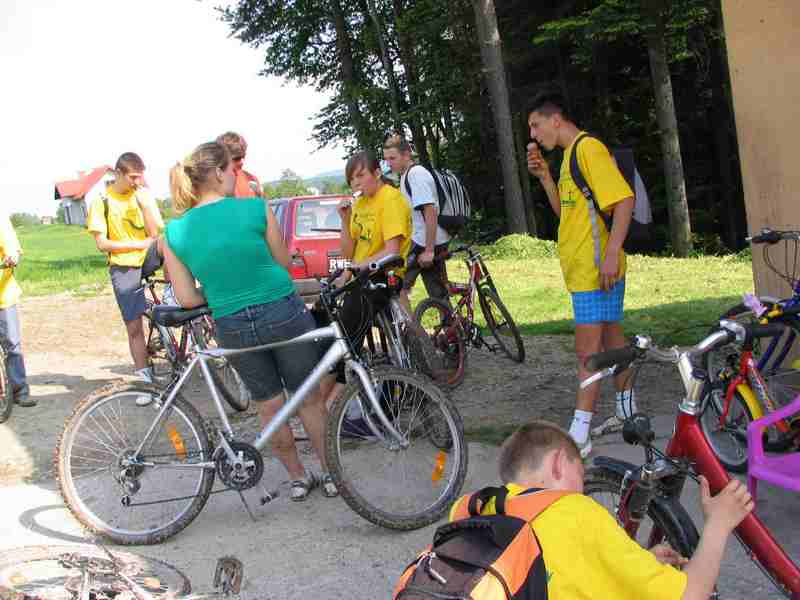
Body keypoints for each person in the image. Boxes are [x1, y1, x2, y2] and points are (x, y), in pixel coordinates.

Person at [163, 140, 336, 501]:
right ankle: (330, 474)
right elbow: (283, 263)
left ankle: (298, 478)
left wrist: (224, 291)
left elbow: (188, 298)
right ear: (218, 173)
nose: (235, 175)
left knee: (269, 404)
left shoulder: (174, 232)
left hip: (232, 324)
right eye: (232, 169)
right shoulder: (256, 208)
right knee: (308, 398)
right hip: (282, 311)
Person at [452, 420, 754, 600]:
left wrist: (637, 564)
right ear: (559, 463)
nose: (582, 487)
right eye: (580, 474)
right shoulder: (574, 511)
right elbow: (690, 596)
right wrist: (719, 523)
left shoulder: (471, 510)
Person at [526, 90, 635, 457]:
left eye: (536, 125)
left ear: (556, 119)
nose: (533, 135)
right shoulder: (569, 156)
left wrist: (611, 253)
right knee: (613, 343)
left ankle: (580, 434)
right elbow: (567, 213)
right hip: (587, 270)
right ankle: (628, 413)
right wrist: (545, 177)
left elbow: (624, 200)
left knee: (587, 352)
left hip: (595, 271)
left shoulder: (588, 148)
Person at [320, 150, 412, 413]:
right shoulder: (359, 204)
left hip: (384, 275)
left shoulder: (390, 199)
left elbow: (392, 250)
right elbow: (349, 252)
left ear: (377, 173)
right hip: (360, 276)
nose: (356, 183)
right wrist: (345, 219)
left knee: (346, 333)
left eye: (361, 176)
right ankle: (334, 389)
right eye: (352, 179)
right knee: (325, 315)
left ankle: (331, 398)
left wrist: (358, 266)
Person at [86, 152, 164, 385]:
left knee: (170, 241)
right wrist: (136, 245)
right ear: (118, 173)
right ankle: (145, 378)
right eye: (133, 177)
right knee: (134, 326)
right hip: (123, 264)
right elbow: (102, 244)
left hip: (147, 256)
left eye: (140, 177)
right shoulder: (102, 200)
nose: (137, 182)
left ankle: (174, 295)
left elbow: (154, 234)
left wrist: (146, 206)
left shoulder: (142, 195)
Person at [382, 135, 450, 311]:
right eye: (386, 159)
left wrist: (429, 250)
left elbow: (430, 210)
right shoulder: (406, 175)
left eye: (392, 158)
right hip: (427, 240)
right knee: (438, 293)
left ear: (406, 155)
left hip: (424, 242)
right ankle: (452, 325)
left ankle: (409, 329)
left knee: (397, 285)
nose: (389, 164)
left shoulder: (415, 175)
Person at [0, 215, 32, 407]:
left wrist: (12, 257)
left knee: (12, 344)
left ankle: (20, 390)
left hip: (3, 294)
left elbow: (11, 246)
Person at [215, 131, 262, 198]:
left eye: (243, 156)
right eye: (237, 158)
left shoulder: (252, 179)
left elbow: (262, 203)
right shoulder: (209, 187)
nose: (241, 162)